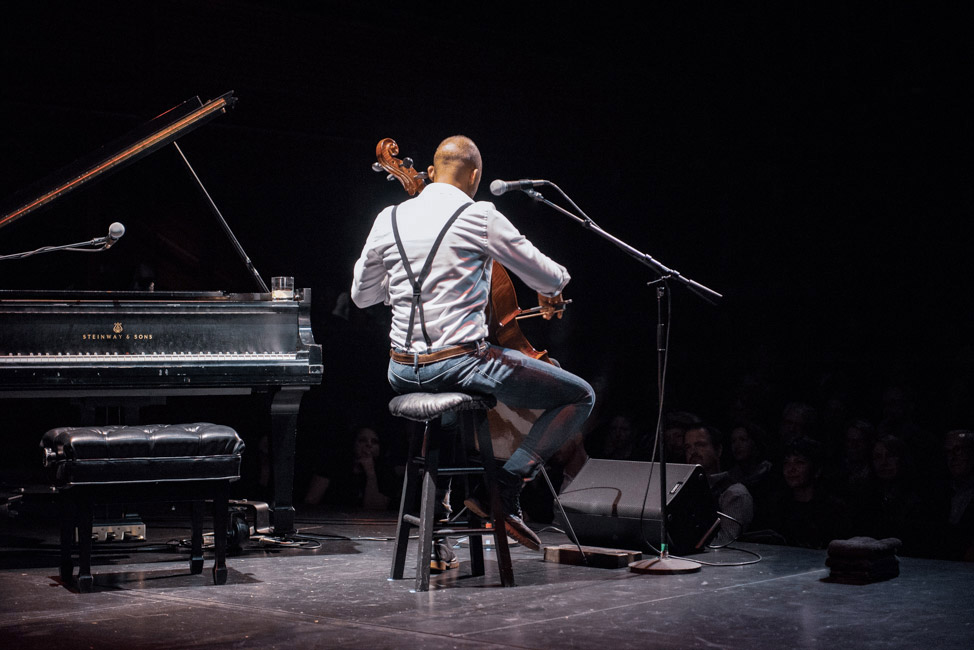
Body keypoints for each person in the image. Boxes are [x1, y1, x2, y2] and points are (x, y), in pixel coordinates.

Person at [351, 135, 595, 550]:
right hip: (458, 364)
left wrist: (404, 285)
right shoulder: (479, 215)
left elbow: (362, 297)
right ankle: (504, 488)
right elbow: (550, 276)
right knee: (580, 396)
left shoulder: (386, 218)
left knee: (450, 406)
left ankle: (436, 519)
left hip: (400, 370)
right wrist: (550, 289)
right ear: (476, 176)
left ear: (431, 172)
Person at [683, 425, 754, 545]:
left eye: (700, 445)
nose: (693, 452)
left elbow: (725, 543)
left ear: (718, 450)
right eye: (687, 447)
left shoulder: (733, 493)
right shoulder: (684, 490)